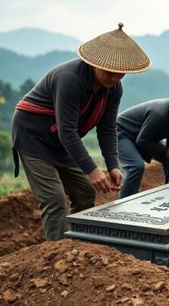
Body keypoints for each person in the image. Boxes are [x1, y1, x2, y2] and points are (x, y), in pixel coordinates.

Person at [11, 23, 151, 241]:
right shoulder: (70, 79)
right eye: (109, 71)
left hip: (60, 140)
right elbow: (67, 130)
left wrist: (112, 164)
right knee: (55, 201)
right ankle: (57, 254)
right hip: (33, 137)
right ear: (95, 63)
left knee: (85, 192)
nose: (114, 77)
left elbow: (106, 129)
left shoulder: (113, 88)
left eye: (120, 73)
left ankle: (78, 245)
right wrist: (91, 169)